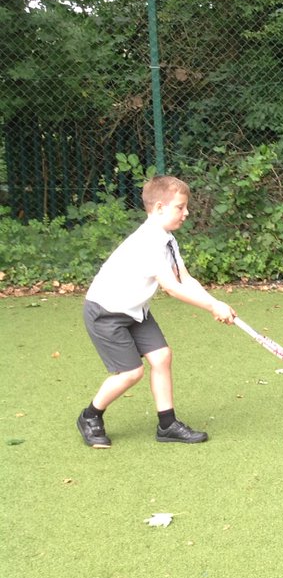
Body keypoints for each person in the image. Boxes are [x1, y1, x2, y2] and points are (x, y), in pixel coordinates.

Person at [76, 175, 236, 448]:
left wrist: (215, 303)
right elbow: (172, 288)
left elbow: (185, 279)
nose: (186, 213)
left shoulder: (167, 239)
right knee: (130, 373)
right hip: (106, 312)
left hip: (134, 309)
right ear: (160, 207)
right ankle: (90, 416)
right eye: (180, 207)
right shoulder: (148, 242)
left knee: (162, 356)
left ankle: (167, 424)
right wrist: (212, 306)